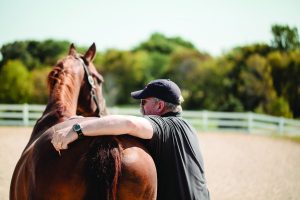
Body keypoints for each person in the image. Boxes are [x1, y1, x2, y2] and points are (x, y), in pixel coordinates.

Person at [51, 79, 210, 200]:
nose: (141, 108)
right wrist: (91, 121)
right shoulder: (187, 127)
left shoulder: (162, 126)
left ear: (160, 106)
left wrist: (77, 129)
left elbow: (129, 123)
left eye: (144, 102)